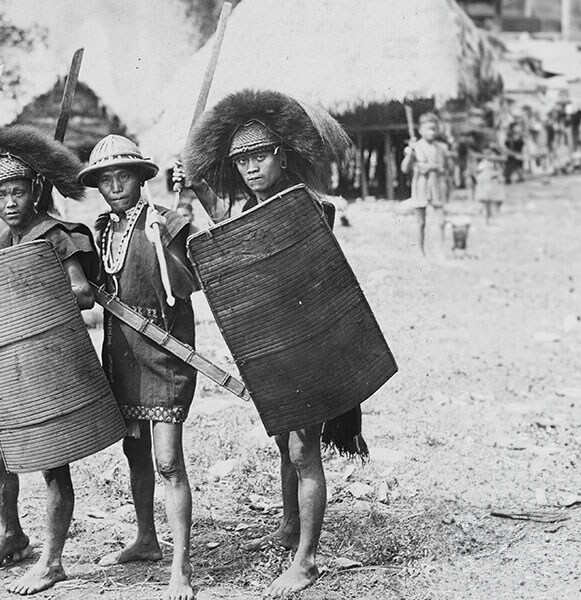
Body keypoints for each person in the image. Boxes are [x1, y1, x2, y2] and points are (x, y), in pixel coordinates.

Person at [175, 89, 364, 597]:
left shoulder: (310, 207)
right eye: (241, 160)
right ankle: (289, 529)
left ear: (281, 155)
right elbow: (226, 229)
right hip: (272, 346)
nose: (251, 168)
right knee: (285, 441)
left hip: (309, 344)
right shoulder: (242, 208)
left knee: (304, 450)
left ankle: (306, 560)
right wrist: (192, 185)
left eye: (260, 156)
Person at [0, 125, 98, 596]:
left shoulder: (54, 234)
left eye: (17, 191)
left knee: (53, 465)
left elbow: (82, 293)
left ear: (35, 191)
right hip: (16, 370)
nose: (9, 202)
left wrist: (35, 295)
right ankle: (13, 534)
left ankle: (52, 562)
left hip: (53, 363)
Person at [78, 134, 198, 600]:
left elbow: (197, 275)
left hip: (165, 355)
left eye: (123, 176)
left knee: (167, 460)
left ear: (141, 177)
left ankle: (181, 568)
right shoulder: (102, 229)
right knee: (135, 454)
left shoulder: (167, 224)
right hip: (121, 353)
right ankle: (146, 539)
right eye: (105, 180)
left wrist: (192, 203)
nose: (114, 186)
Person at [401, 112, 450, 256]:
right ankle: (420, 251)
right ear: (420, 130)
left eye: (434, 129)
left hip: (436, 185)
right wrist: (410, 154)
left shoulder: (440, 148)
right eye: (428, 129)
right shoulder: (414, 148)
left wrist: (435, 167)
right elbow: (404, 168)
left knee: (440, 220)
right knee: (421, 222)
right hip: (421, 186)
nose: (431, 132)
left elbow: (445, 168)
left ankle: (440, 250)